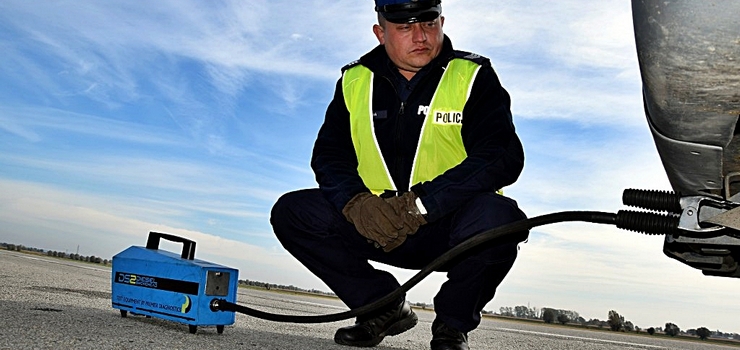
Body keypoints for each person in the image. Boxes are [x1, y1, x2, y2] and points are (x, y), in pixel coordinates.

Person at [271, 1, 527, 349]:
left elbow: (502, 155)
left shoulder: (472, 75)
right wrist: (355, 204)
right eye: (405, 26)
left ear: (442, 21)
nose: (421, 36)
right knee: (292, 213)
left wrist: (423, 204)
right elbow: (330, 155)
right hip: (375, 224)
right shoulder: (354, 79)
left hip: (447, 227)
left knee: (502, 220)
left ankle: (452, 325)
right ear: (381, 33)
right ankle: (381, 306)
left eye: (428, 22)